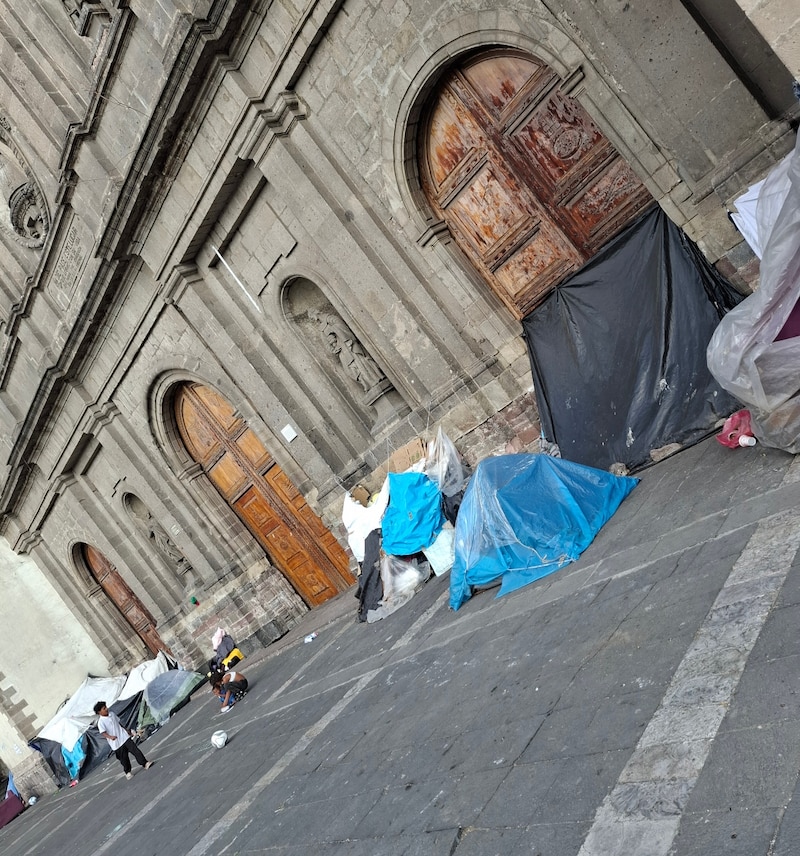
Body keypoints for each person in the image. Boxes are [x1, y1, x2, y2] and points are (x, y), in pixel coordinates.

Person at [93, 701, 154, 781]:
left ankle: (145, 763)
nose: (106, 709)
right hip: (116, 743)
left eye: (106, 707)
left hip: (124, 737)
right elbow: (103, 733)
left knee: (135, 750)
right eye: (104, 708)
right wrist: (110, 737)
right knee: (124, 759)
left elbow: (119, 723)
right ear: (99, 712)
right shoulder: (101, 722)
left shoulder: (112, 714)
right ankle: (128, 772)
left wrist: (126, 730)